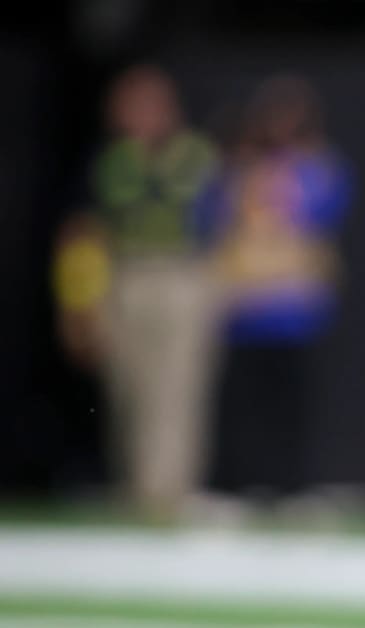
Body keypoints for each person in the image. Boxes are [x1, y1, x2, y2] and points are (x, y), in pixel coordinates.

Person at [196, 74, 352, 500]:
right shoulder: (239, 168)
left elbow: (324, 212)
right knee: (241, 400)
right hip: (246, 303)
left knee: (291, 401)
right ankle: (235, 483)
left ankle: (290, 484)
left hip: (293, 304)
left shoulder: (317, 167)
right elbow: (213, 216)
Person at [84, 63, 219, 522]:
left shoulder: (196, 155)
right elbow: (89, 230)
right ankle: (135, 487)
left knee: (176, 385)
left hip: (182, 274)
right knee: (128, 385)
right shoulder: (112, 161)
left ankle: (169, 493)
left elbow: (219, 218)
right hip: (125, 274)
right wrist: (83, 299)